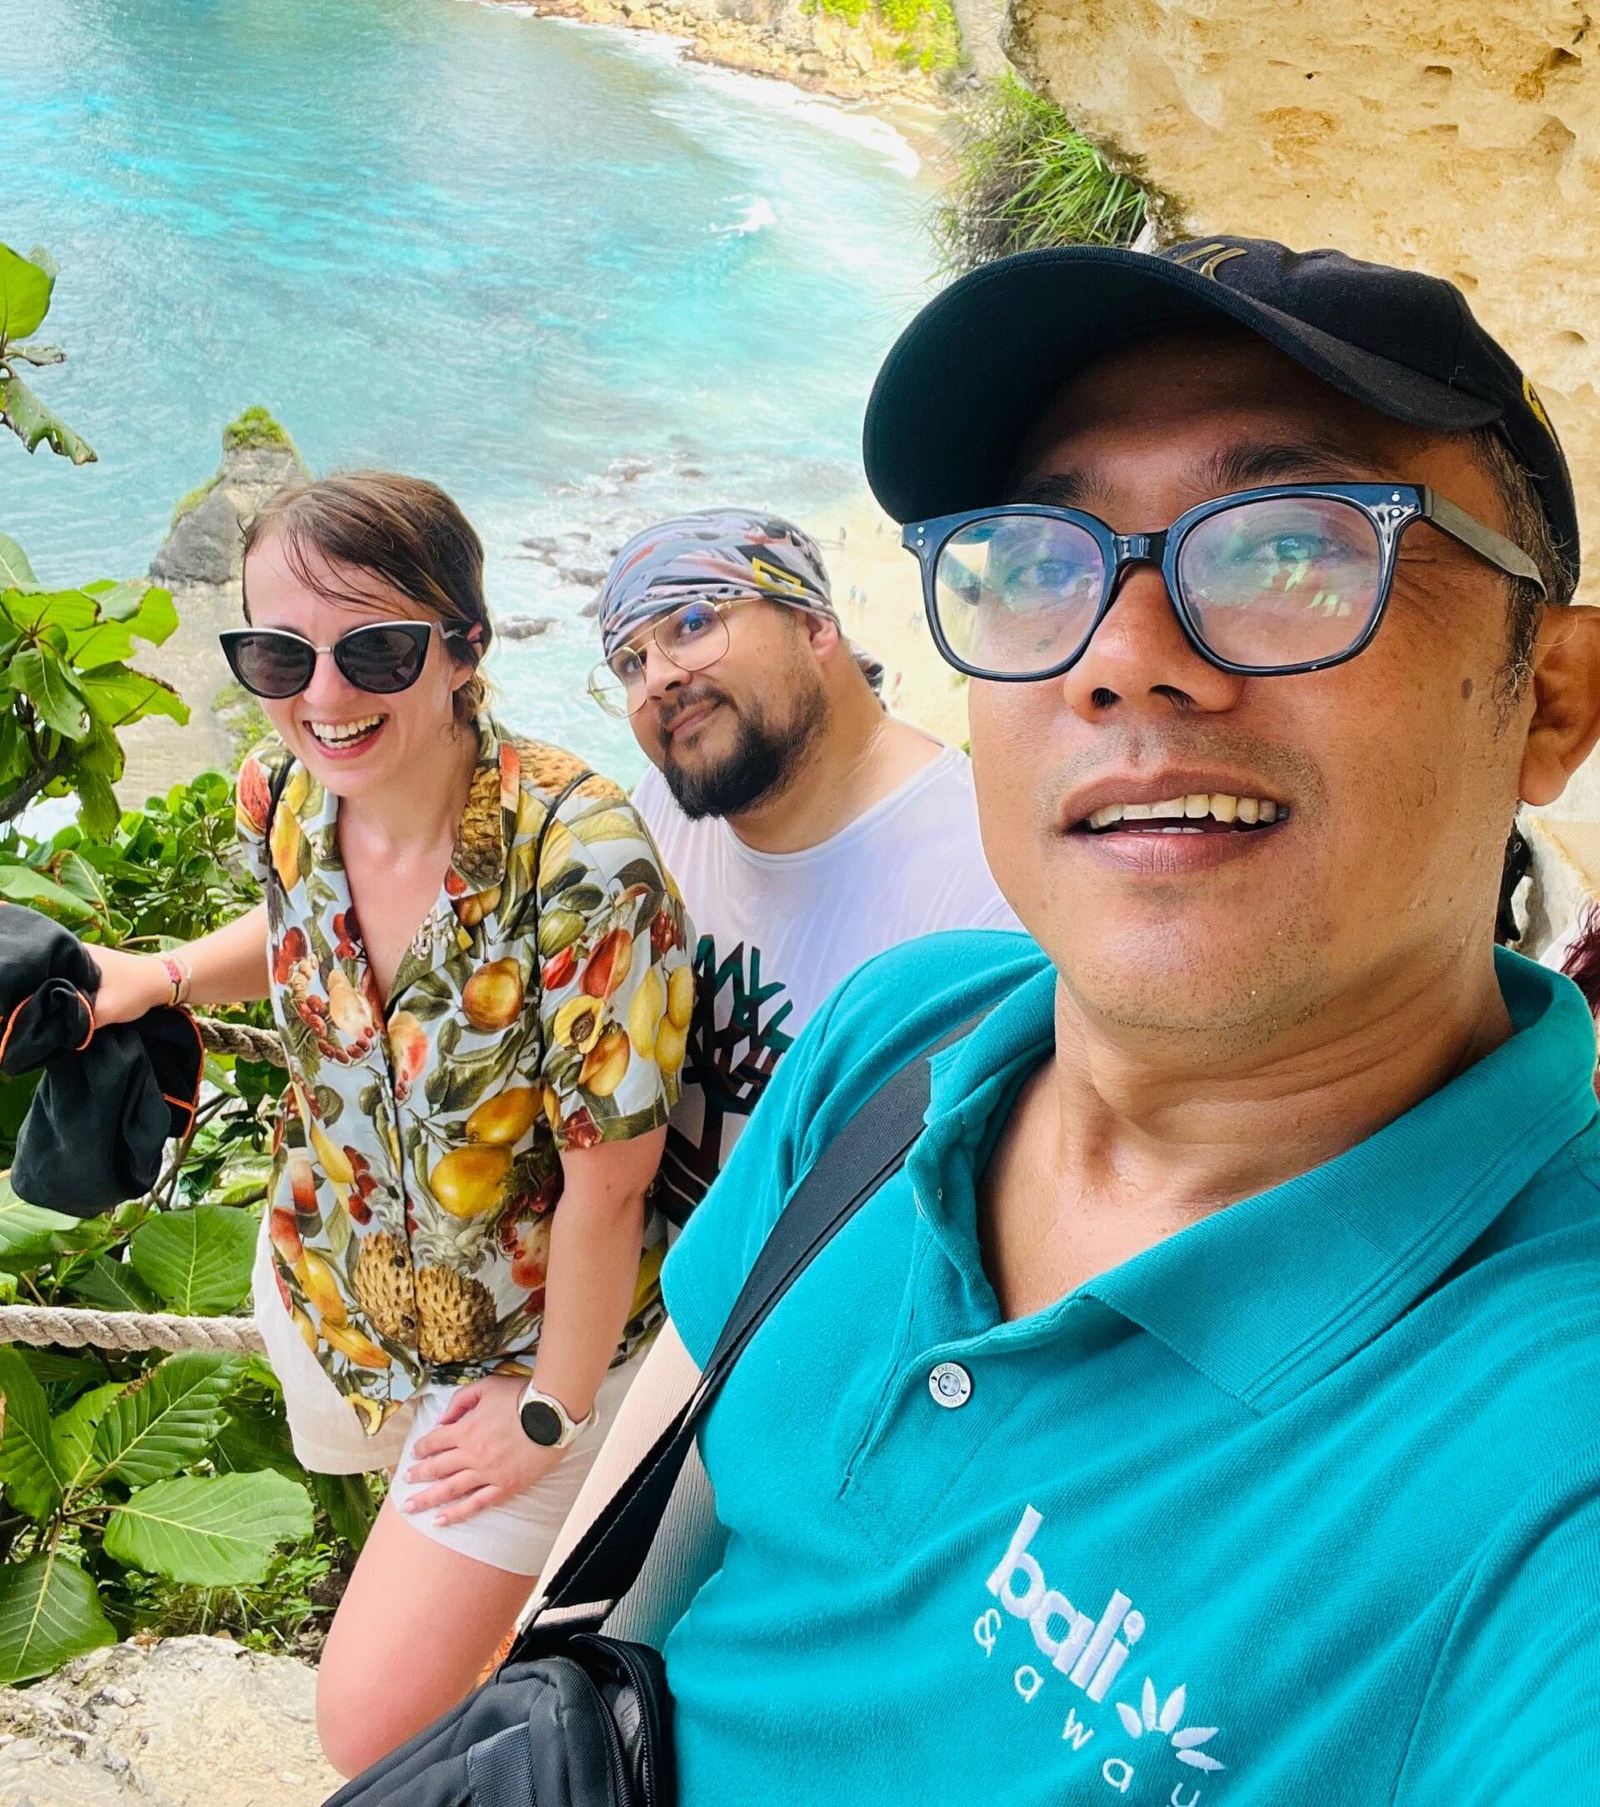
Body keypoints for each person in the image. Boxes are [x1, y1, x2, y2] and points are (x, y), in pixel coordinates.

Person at [549, 238, 1600, 1804]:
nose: (1121, 658)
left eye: (1292, 548)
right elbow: (601, 1611)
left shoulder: (1547, 1460)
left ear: (1552, 700)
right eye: (1038, 559)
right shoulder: (901, 1042)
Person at [85, 472, 689, 1776]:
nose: (322, 694)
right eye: (277, 654)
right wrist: (164, 973)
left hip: (531, 1350)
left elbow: (610, 1186)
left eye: (374, 651)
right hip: (337, 1288)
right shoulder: (284, 792)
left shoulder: (579, 864)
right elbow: (296, 928)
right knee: (421, 1624)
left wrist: (550, 1411)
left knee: (367, 1724)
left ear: (464, 647)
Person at [590, 508, 1017, 1224]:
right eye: (629, 663)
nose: (656, 677)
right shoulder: (659, 812)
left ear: (815, 625)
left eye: (693, 622)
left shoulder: (981, 875)